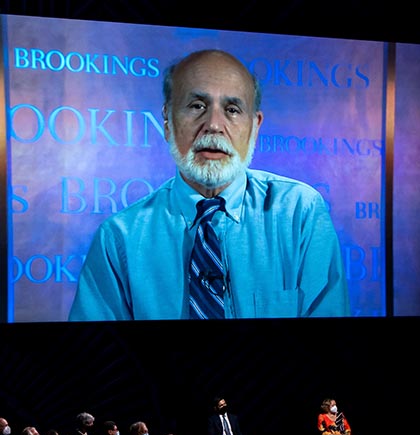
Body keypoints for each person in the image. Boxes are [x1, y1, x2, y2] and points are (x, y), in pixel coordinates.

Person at [68, 48, 349, 321]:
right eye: (197, 106)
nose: (214, 124)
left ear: (255, 125)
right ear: (167, 122)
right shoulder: (119, 239)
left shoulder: (300, 213)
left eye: (232, 109)